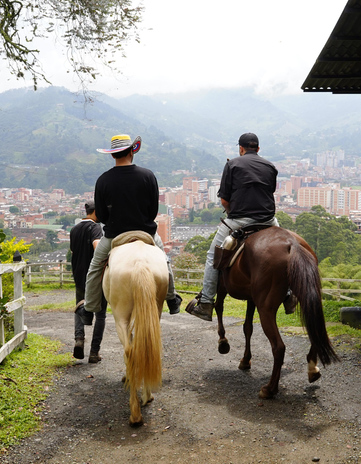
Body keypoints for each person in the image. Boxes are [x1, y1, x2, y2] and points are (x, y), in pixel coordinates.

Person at [186, 132, 294, 321]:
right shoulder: (270, 166)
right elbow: (269, 191)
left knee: (213, 254)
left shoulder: (232, 164)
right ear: (258, 149)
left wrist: (231, 212)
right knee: (289, 249)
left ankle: (206, 303)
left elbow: (224, 199)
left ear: (241, 149)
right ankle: (289, 295)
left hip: (240, 220)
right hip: (268, 220)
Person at [83, 134, 181, 318]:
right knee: (164, 263)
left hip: (114, 235)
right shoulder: (147, 175)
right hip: (146, 232)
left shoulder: (103, 180)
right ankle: (171, 299)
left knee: (95, 268)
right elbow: (153, 210)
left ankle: (89, 309)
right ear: (131, 152)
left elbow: (102, 216)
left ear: (112, 155)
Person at [70, 201, 105, 363]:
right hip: (95, 277)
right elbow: (97, 246)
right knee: (100, 314)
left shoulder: (74, 229)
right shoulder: (95, 227)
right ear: (95, 211)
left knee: (80, 306)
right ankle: (94, 352)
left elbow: (72, 251)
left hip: (78, 274)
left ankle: (79, 340)